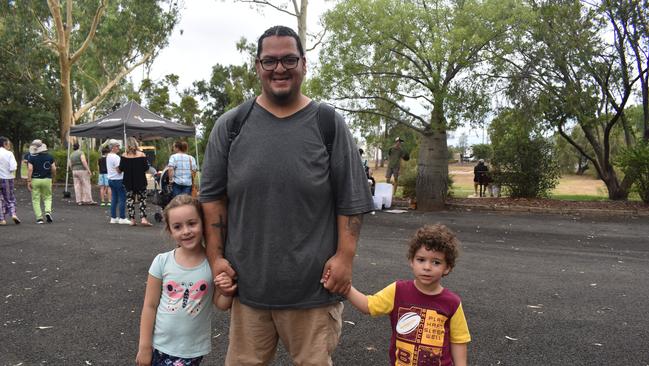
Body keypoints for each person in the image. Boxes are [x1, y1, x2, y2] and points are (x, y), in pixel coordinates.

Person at [199, 25, 374, 365]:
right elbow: (212, 199)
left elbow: (351, 199)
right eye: (270, 61)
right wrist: (216, 258)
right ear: (257, 66)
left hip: (313, 292)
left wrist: (345, 257)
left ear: (304, 64)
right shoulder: (231, 126)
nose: (279, 68)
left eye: (289, 59)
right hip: (249, 289)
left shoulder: (328, 123)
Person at [343, 224, 471, 366]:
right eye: (421, 260)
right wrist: (345, 287)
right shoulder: (398, 290)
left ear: (447, 268)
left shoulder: (452, 303)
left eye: (436, 262)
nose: (427, 267)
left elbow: (458, 340)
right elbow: (368, 305)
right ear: (411, 261)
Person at [136, 194, 235, 366]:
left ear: (203, 224)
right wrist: (144, 347)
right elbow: (149, 306)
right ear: (170, 230)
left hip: (191, 351)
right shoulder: (162, 262)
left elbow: (220, 303)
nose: (186, 231)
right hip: (159, 345)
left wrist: (227, 290)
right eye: (177, 226)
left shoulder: (212, 263)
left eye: (192, 223)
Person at [118, 137, 152, 227]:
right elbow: (146, 168)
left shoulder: (124, 155)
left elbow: (120, 169)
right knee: (142, 200)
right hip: (140, 180)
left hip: (128, 181)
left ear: (127, 145)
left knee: (130, 201)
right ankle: (143, 218)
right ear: (135, 144)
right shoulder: (142, 155)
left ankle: (132, 220)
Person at [26, 140, 57, 224]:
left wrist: (28, 181)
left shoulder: (31, 157)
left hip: (35, 180)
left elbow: (30, 169)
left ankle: (39, 218)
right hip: (47, 179)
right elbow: (54, 168)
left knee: (36, 199)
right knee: (47, 197)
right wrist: (54, 178)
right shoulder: (50, 157)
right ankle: (47, 212)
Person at [106, 140, 130, 224]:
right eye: (117, 146)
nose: (118, 147)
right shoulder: (116, 157)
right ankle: (122, 218)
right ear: (112, 148)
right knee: (122, 199)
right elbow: (119, 170)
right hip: (118, 179)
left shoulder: (108, 156)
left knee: (114, 199)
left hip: (111, 179)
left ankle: (113, 217)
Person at [0, 136, 20, 225]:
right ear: (5, 144)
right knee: (10, 198)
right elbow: (13, 167)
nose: (9, 145)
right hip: (7, 179)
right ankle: (13, 214)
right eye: (8, 143)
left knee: (0, 199)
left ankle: (1, 219)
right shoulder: (9, 154)